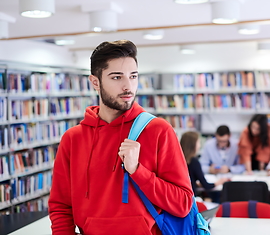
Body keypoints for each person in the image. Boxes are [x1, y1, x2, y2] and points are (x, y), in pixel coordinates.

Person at [48, 40, 194, 235]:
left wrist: (138, 171)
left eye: (133, 76)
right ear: (95, 82)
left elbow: (183, 203)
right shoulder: (73, 139)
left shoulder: (159, 130)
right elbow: (60, 206)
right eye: (117, 77)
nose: (128, 86)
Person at [180, 131, 229, 199]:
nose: (200, 145)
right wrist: (219, 182)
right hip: (191, 200)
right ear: (193, 145)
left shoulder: (178, 160)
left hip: (181, 199)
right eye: (198, 142)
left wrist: (195, 184)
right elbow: (206, 185)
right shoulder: (194, 162)